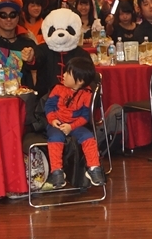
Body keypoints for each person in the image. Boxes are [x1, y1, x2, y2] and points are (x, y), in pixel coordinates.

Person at [42, 58, 105, 189]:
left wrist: (71, 126)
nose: (63, 75)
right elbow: (49, 106)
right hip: (57, 123)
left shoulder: (86, 94)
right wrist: (53, 120)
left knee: (88, 137)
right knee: (55, 138)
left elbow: (85, 116)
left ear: (80, 81)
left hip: (75, 125)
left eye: (68, 73)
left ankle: (94, 168)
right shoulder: (58, 88)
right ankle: (57, 171)